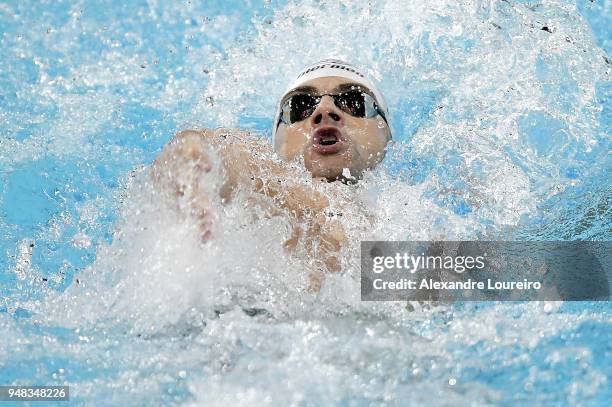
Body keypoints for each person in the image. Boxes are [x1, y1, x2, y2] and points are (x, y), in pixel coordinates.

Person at [152, 59, 392, 291]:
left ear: (387, 135)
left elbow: (421, 293)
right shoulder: (260, 204)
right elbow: (231, 153)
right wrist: (190, 156)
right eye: (300, 107)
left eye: (354, 101)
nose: (324, 110)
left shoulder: (410, 223)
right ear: (278, 144)